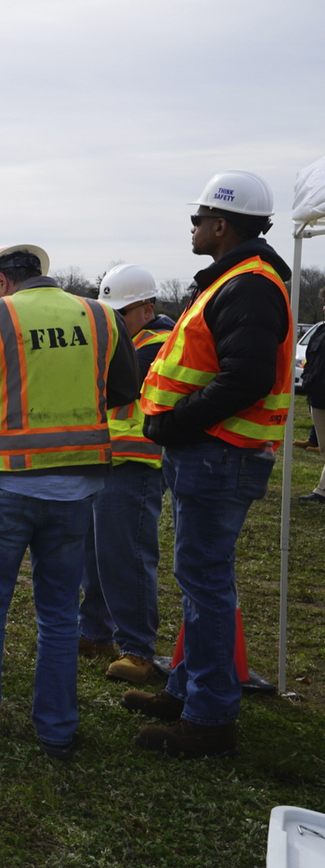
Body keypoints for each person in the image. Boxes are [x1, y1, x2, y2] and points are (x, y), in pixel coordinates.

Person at [0, 244, 139, 760]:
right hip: (76, 491)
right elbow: (124, 388)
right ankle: (57, 730)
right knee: (60, 612)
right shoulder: (102, 316)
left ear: (0, 283)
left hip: (6, 486)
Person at [125, 171, 292, 758]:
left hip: (218, 454)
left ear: (221, 226)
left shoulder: (248, 285)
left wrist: (175, 423)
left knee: (206, 585)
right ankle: (185, 689)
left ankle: (210, 717)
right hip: (212, 454)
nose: (192, 228)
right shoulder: (236, 280)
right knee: (200, 580)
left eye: (197, 220)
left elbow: (246, 377)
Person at [78, 264, 174, 683]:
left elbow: (110, 383)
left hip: (134, 463)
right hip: (107, 458)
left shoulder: (158, 342)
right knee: (95, 555)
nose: (114, 321)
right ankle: (95, 632)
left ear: (147, 309)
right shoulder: (129, 340)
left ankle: (137, 649)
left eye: (123, 312)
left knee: (126, 556)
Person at [297, 288, 325, 500]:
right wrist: (307, 380)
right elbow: (310, 361)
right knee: (323, 447)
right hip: (317, 397)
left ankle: (321, 491)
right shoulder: (320, 331)